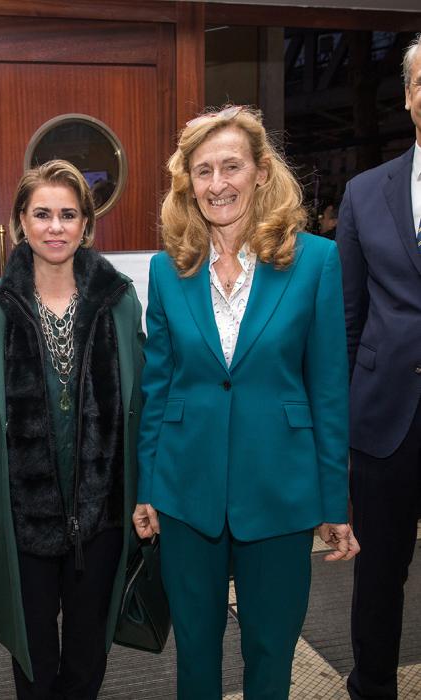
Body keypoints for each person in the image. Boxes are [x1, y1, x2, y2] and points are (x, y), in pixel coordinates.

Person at [132, 105, 359, 699]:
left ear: (261, 172)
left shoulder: (316, 261)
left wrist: (334, 500)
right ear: (189, 183)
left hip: (280, 488)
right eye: (202, 171)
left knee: (271, 650)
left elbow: (329, 390)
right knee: (195, 653)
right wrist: (148, 486)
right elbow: (157, 388)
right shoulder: (167, 268)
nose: (217, 184)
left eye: (231, 166)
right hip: (185, 487)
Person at [0, 159, 143, 699]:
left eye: (68, 214)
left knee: (88, 648)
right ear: (21, 221)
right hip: (21, 513)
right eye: (42, 214)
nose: (55, 227)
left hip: (102, 509)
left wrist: (143, 494)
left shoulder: (119, 300)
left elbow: (141, 402)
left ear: (86, 223)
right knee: (34, 649)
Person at [338, 35, 421, 700]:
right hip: (383, 417)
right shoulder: (365, 193)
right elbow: (348, 317)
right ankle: (371, 687)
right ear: (411, 98)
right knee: (378, 575)